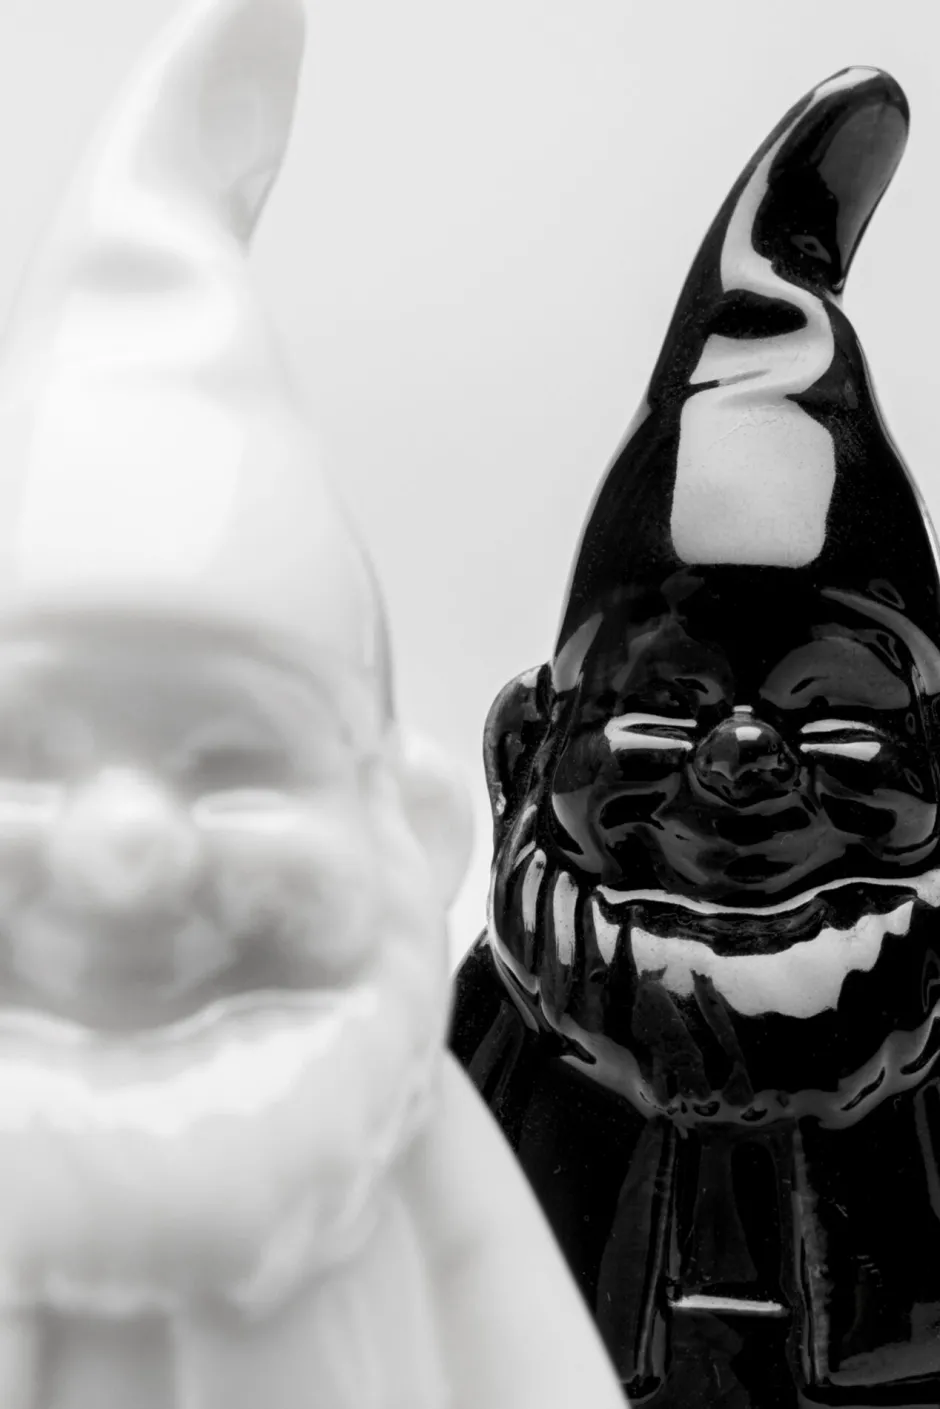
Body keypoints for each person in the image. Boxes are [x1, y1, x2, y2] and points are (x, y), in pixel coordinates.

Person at [0, 2, 626, 1406]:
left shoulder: (395, 1135)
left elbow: (522, 1351)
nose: (121, 847)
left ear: (401, 824)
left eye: (229, 764)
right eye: (29, 757)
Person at [452, 66, 940, 1406]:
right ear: (525, 754)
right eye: (664, 714)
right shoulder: (492, 1041)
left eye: (831, 722)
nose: (740, 767)